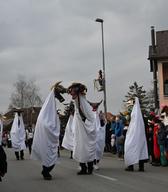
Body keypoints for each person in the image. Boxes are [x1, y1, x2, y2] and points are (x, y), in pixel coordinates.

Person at [31, 82, 66, 180]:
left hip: (50, 139)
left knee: (51, 156)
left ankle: (45, 171)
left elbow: (51, 124)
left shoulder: (46, 114)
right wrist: (53, 129)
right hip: (46, 139)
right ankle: (45, 172)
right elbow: (47, 125)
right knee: (49, 156)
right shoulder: (44, 116)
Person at [68, 82, 96, 175]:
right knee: (80, 147)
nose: (72, 95)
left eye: (73, 93)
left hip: (85, 133)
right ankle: (83, 168)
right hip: (80, 132)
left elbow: (90, 119)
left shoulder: (83, 105)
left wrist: (84, 126)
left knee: (86, 148)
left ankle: (90, 167)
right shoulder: (77, 104)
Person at [124, 97, 148, 171]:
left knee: (130, 147)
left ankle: (131, 166)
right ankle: (141, 167)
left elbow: (133, 124)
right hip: (139, 136)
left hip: (134, 135)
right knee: (140, 149)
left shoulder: (136, 113)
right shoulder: (138, 113)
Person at [88, 101, 106, 170]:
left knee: (99, 150)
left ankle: (96, 162)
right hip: (92, 136)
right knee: (94, 150)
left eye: (96, 106)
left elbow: (103, 124)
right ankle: (93, 163)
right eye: (93, 106)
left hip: (99, 136)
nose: (95, 107)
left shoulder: (99, 115)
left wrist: (102, 122)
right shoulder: (90, 114)